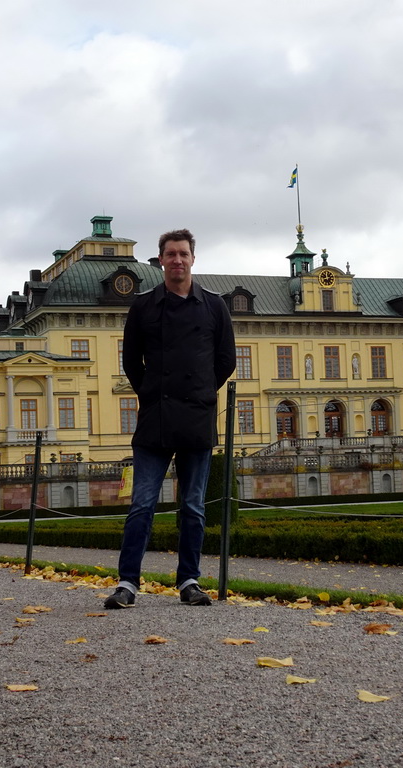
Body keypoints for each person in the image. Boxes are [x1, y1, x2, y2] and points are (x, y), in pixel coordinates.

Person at [105, 229, 236, 609]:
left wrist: (201, 390)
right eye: (170, 254)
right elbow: (131, 361)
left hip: (196, 418)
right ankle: (127, 583)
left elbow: (225, 359)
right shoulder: (144, 306)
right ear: (160, 260)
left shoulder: (213, 306)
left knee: (193, 506)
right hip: (156, 418)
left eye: (183, 253)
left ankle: (189, 581)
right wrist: (149, 393)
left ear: (193, 258)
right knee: (142, 504)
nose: (177, 260)